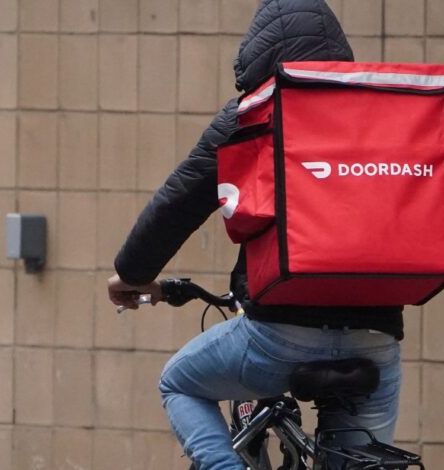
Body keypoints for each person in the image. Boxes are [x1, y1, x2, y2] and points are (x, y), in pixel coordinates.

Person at [108, 1, 405, 468]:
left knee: (179, 383)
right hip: (377, 335)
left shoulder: (251, 115)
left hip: (279, 332)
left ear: (257, 55)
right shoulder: (389, 115)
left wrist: (131, 273)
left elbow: (178, 203)